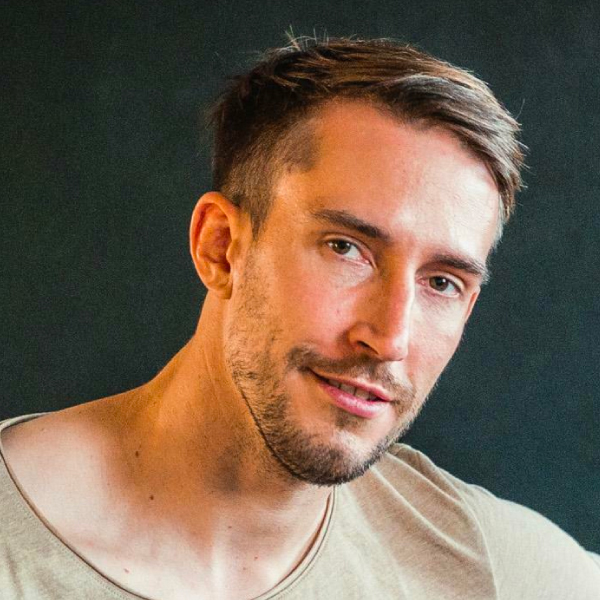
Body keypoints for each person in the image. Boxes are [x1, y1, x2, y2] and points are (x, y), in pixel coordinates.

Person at [1, 37, 598, 600]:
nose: (390, 338)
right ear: (220, 247)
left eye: (442, 282)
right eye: (346, 249)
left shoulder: (482, 562)